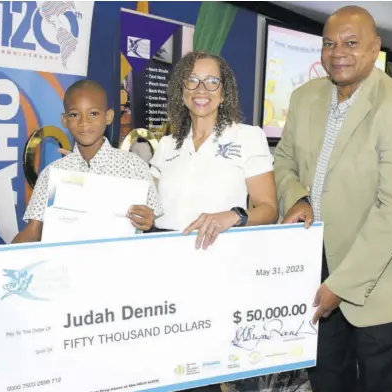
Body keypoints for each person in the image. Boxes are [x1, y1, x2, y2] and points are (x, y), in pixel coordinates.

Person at [273, 6, 392, 392]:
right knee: (326, 372)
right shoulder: (304, 96)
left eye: (350, 42)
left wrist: (340, 286)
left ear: (375, 47)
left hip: (380, 271)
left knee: (378, 377)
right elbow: (285, 160)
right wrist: (298, 198)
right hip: (316, 260)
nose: (337, 51)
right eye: (329, 43)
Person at [149, 51, 278, 390]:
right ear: (181, 90)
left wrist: (233, 216)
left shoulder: (248, 137)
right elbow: (147, 207)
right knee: (174, 369)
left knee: (217, 367)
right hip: (169, 273)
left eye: (211, 81)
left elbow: (268, 208)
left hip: (221, 273)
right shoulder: (165, 145)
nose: (200, 88)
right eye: (191, 80)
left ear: (224, 91)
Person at [0, 79, 162, 299]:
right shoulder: (53, 173)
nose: (84, 122)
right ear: (64, 120)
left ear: (109, 116)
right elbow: (34, 230)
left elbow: (152, 228)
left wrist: (148, 223)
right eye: (75, 115)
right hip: (68, 280)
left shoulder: (134, 166)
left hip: (120, 279)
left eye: (93, 113)